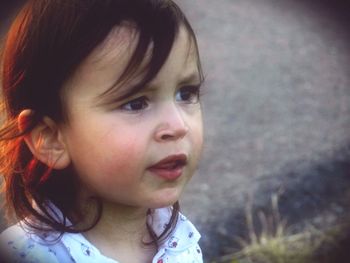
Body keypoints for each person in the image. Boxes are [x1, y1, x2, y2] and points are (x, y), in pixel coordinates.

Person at [0, 0, 204, 262]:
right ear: (50, 138)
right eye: (135, 103)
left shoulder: (180, 242)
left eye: (185, 93)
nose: (178, 126)